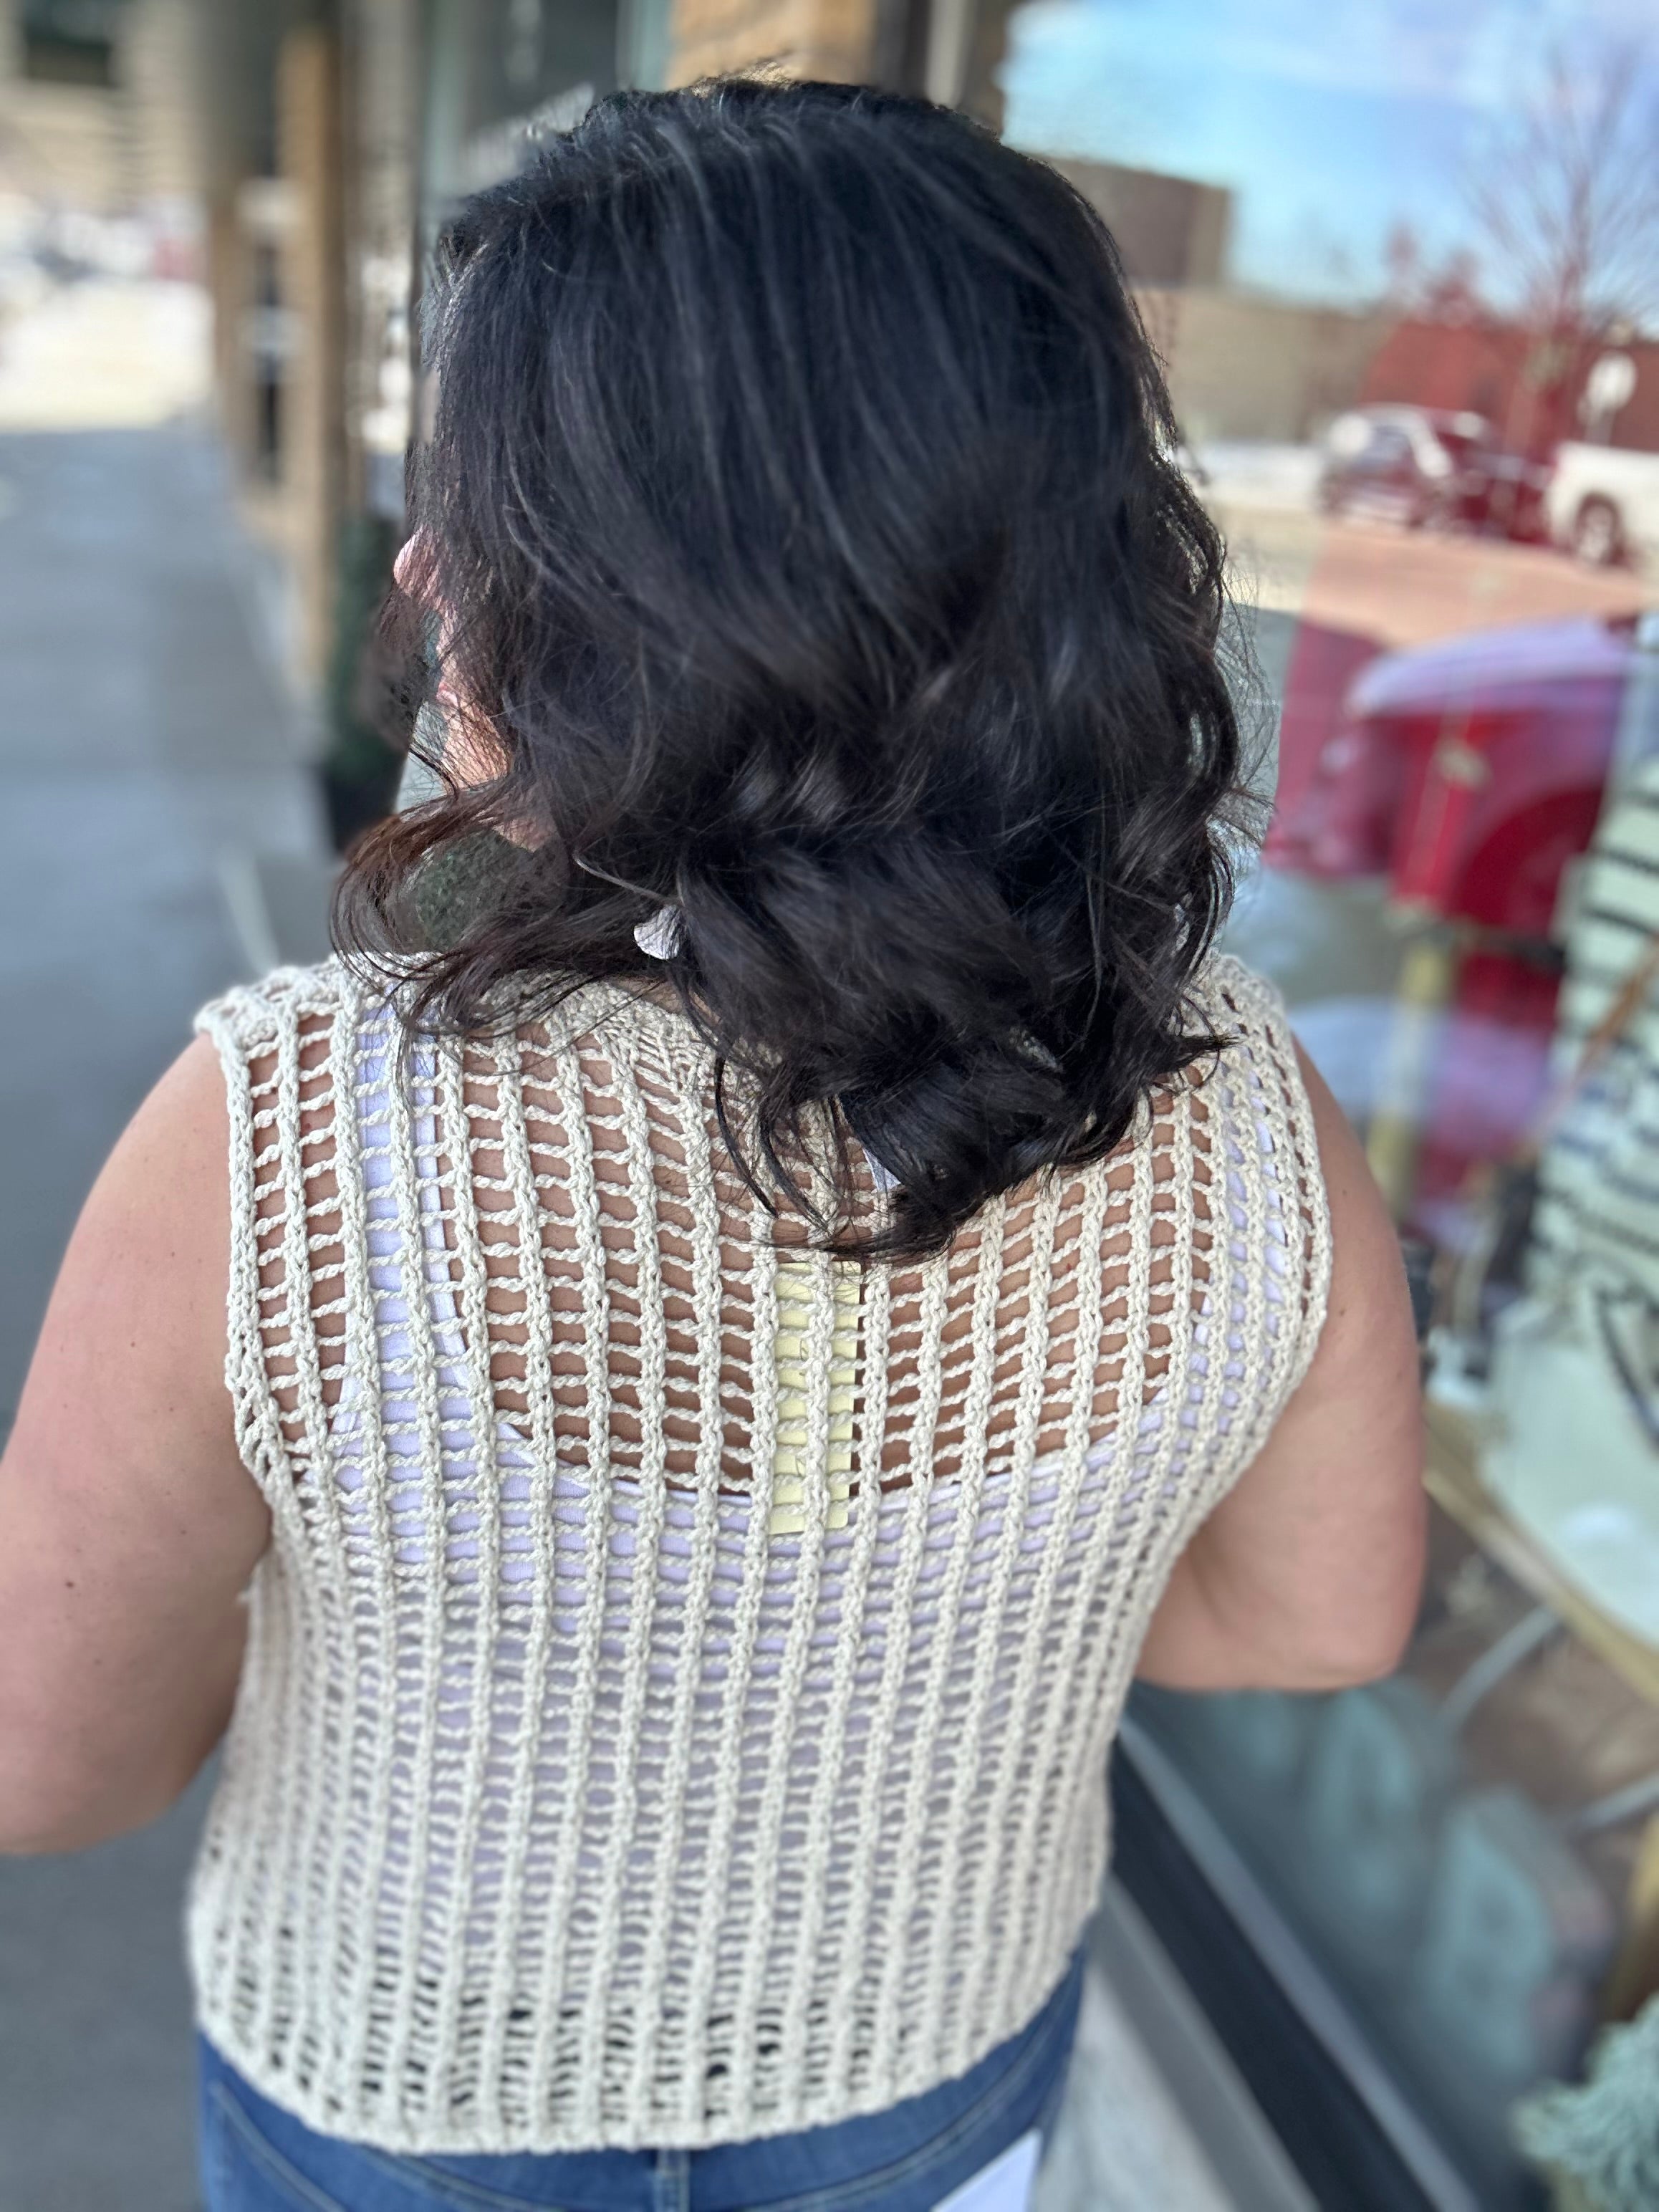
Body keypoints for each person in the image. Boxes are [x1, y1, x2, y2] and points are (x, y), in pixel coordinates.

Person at [0, 77, 1424, 2212]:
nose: (418, 564)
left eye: (480, 506)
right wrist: (948, 1610)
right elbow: (1318, 1624)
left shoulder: (292, 1132)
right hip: (931, 2082)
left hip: (406, 2101)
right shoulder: (1242, 1101)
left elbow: (48, 1762)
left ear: (665, 590)